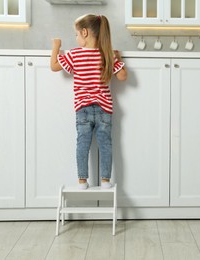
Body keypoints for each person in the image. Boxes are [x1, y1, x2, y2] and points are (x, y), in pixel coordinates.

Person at [50, 14, 127, 189]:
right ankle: (106, 181)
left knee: (82, 145)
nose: (76, 38)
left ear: (84, 32)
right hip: (104, 108)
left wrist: (56, 46)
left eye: (76, 34)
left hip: (82, 108)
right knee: (105, 145)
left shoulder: (75, 54)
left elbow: (54, 66)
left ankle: (82, 181)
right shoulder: (107, 55)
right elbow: (122, 77)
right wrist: (119, 59)